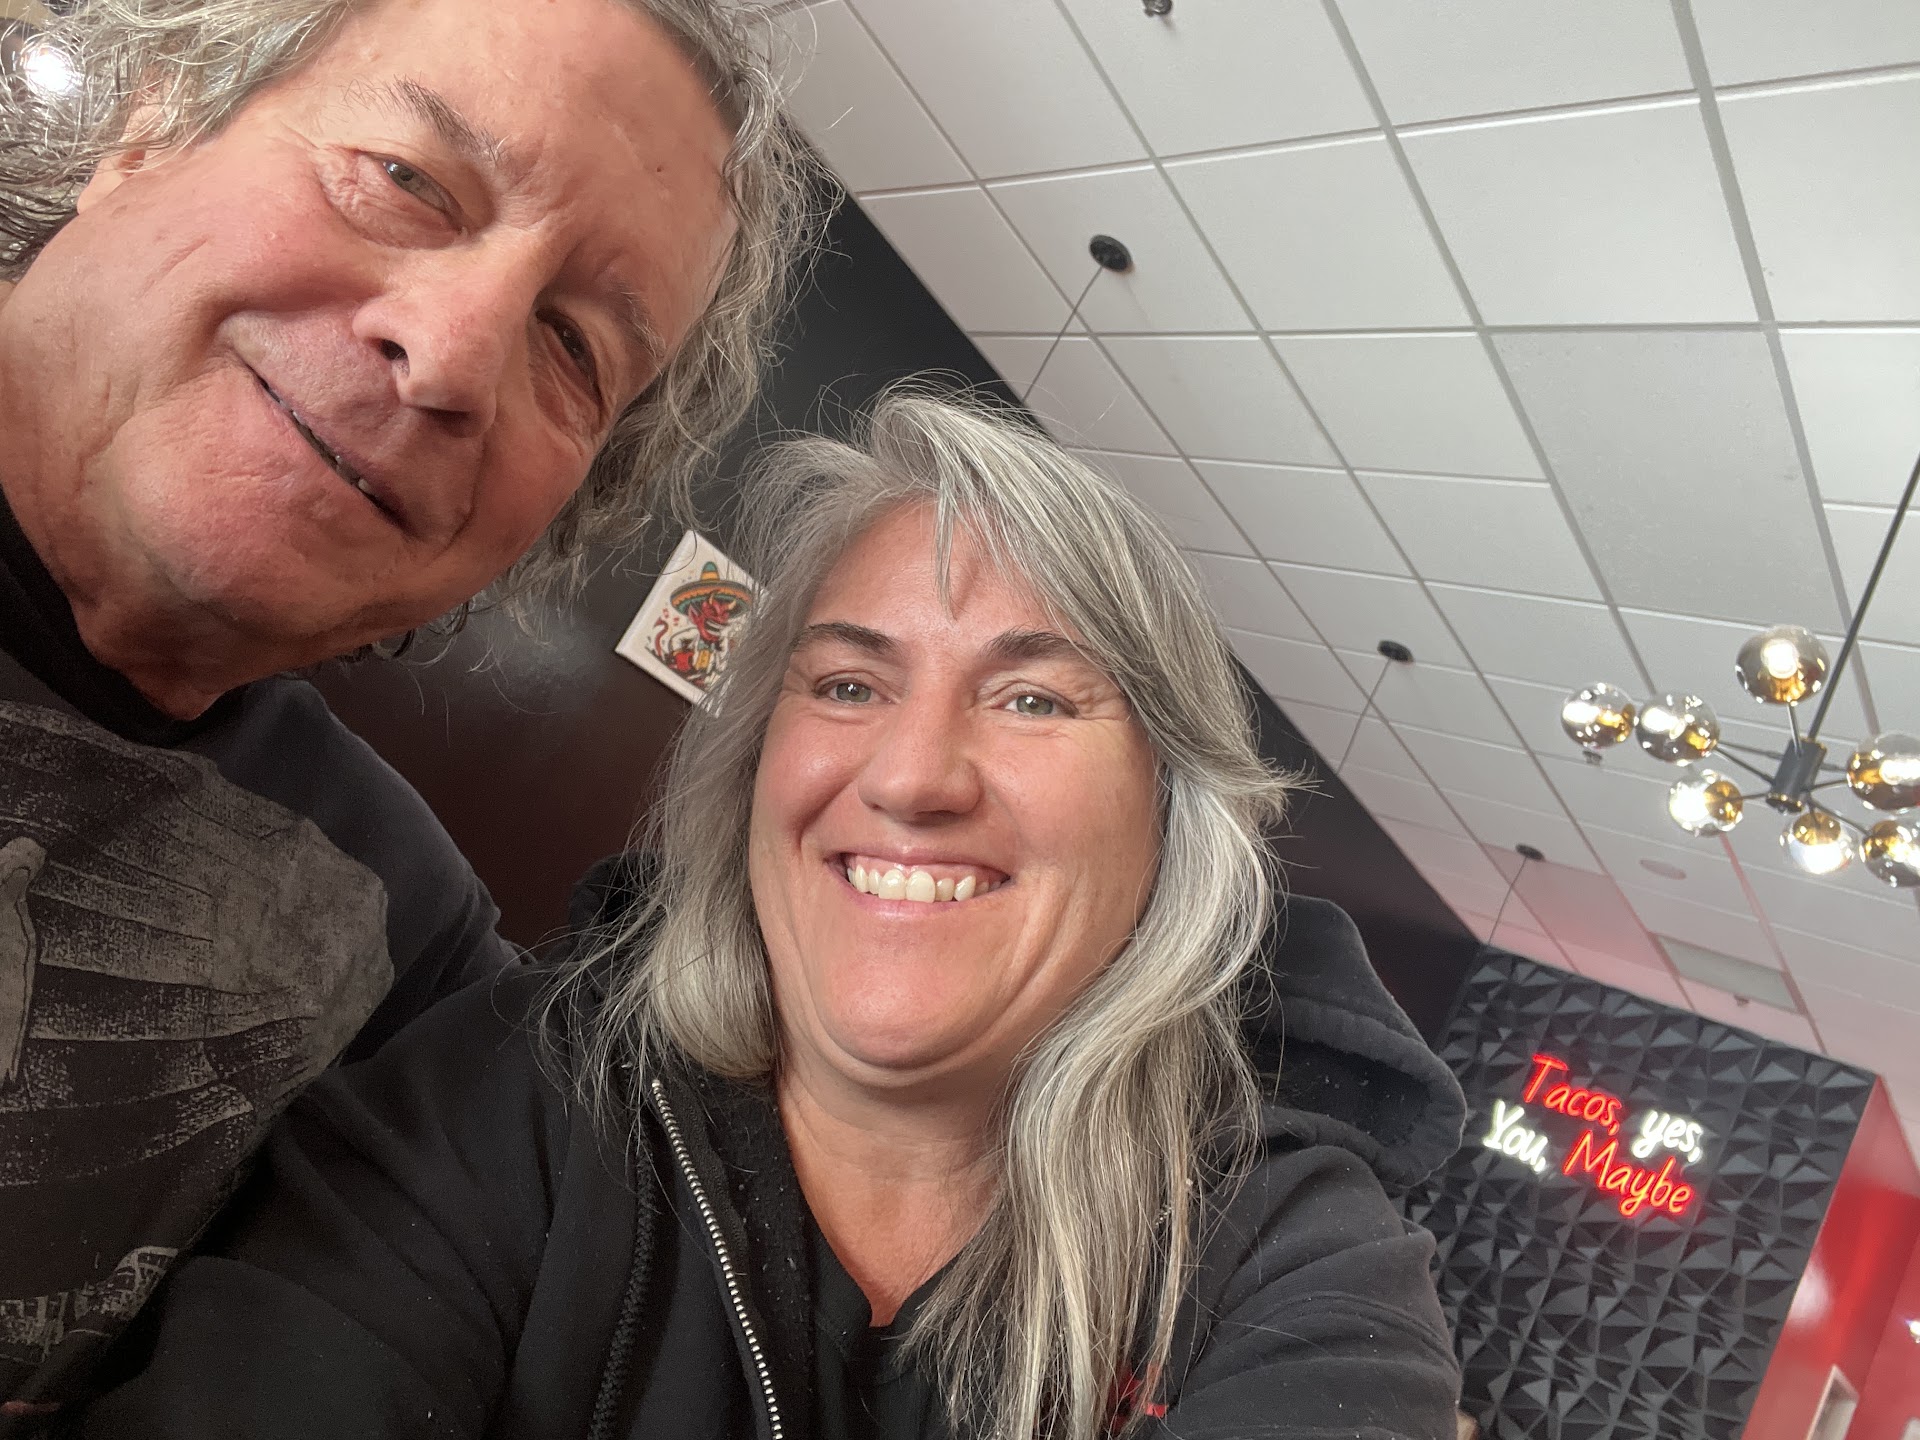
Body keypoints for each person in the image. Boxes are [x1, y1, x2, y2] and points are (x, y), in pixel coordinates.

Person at [77, 391, 1468, 1439]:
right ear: (753, 760)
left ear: (1171, 822)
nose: (911, 778)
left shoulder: (1285, 1252)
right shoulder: (517, 1087)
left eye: (1034, 697)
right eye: (849, 685)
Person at [0, 0, 814, 1417]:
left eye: (573, 348)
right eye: (407, 179)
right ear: (152, 124)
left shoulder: (404, 940)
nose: (449, 357)